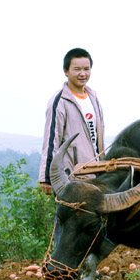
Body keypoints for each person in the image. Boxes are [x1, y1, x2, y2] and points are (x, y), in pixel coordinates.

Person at [39, 48, 105, 195]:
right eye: (77, 69)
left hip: (96, 174)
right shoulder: (60, 101)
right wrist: (46, 177)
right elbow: (51, 140)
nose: (83, 74)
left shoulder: (93, 97)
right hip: (72, 177)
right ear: (66, 71)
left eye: (86, 69)